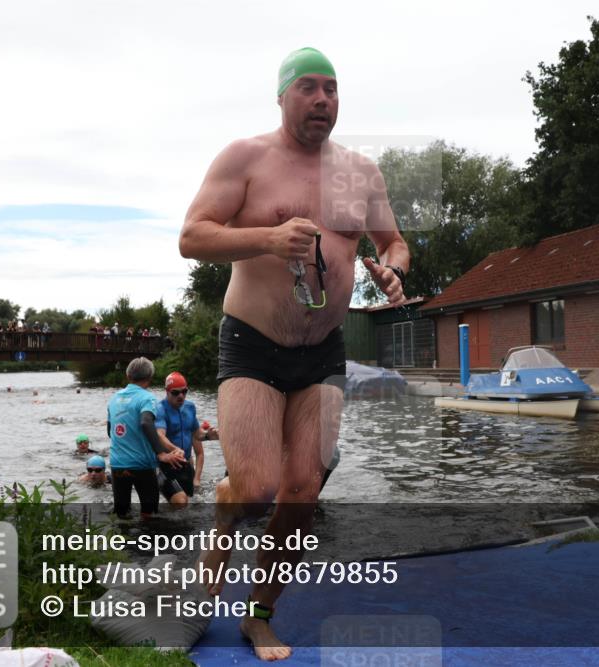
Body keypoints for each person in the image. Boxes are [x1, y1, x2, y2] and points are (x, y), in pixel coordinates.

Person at [179, 46, 408, 660]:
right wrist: (269, 237)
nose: (322, 99)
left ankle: (260, 615)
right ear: (281, 96)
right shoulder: (245, 157)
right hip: (252, 344)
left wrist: (390, 270)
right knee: (256, 489)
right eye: (308, 87)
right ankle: (224, 510)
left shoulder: (362, 173)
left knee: (302, 493)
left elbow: (393, 241)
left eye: (331, 88)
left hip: (323, 353)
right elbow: (192, 236)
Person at [106, 357, 184, 518]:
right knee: (149, 513)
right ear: (149, 378)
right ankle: (147, 540)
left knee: (121, 512)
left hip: (118, 464)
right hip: (142, 465)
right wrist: (161, 453)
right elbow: (146, 422)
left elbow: (109, 431)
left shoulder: (113, 398)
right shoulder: (146, 398)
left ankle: (122, 541)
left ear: (128, 376)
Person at [155, 371, 218, 507]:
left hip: (186, 467)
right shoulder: (160, 409)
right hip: (167, 467)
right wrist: (175, 449)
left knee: (190, 508)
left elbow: (197, 434)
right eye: (175, 393)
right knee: (181, 502)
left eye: (184, 391)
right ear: (166, 392)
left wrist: (208, 436)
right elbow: (159, 435)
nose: (181, 396)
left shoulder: (190, 407)